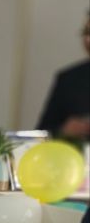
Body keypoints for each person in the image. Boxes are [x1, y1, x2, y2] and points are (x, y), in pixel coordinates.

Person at [37, 11, 90, 140]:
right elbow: (42, 133)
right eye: (85, 33)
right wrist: (62, 131)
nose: (88, 40)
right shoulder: (68, 79)